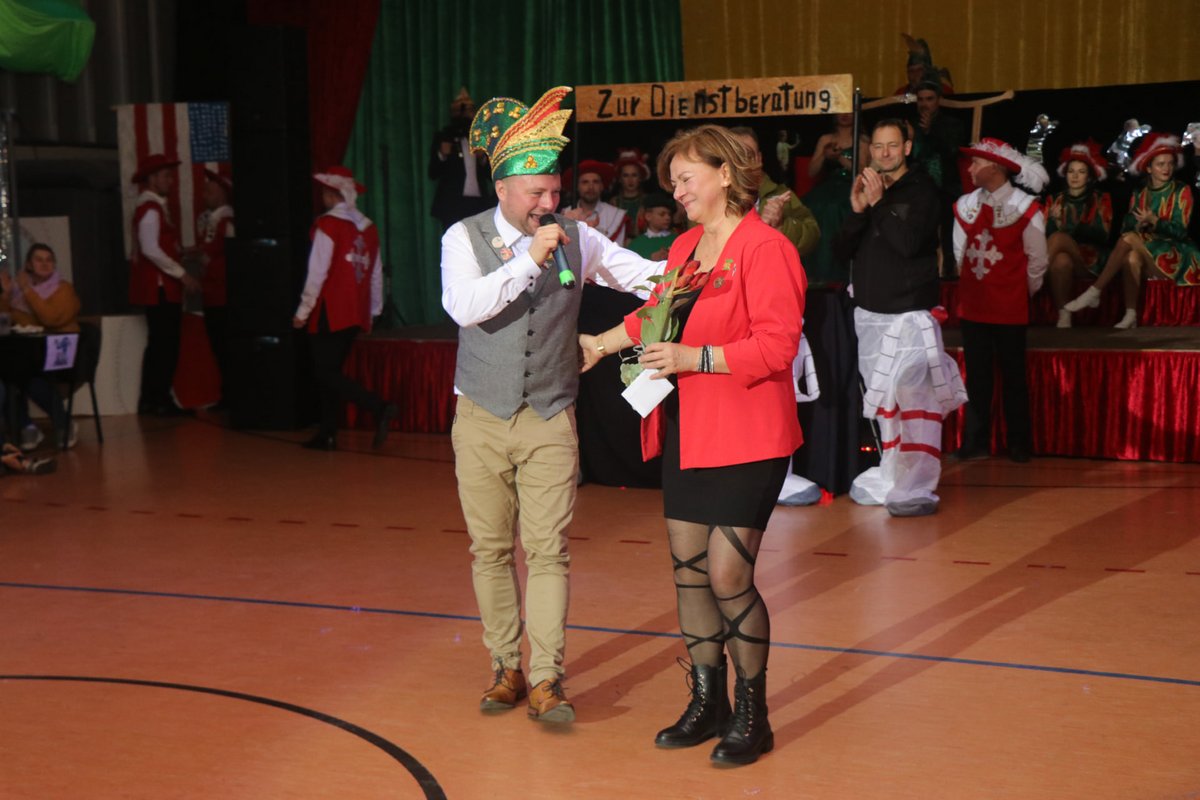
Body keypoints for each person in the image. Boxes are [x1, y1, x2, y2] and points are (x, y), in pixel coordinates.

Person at [581, 124, 806, 765]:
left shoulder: (766, 248)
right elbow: (654, 315)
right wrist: (599, 344)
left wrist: (693, 357)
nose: (676, 191)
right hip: (691, 428)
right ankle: (709, 703)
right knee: (689, 573)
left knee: (729, 573)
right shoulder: (684, 247)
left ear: (725, 174)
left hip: (750, 432)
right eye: (673, 182)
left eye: (685, 178)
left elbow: (777, 346)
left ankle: (753, 712)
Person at [443, 86, 664, 724]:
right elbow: (463, 306)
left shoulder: (577, 237)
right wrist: (526, 261)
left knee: (548, 550)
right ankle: (504, 667)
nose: (549, 204)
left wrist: (699, 268)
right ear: (503, 189)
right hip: (481, 415)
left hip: (549, 414)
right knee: (490, 550)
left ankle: (546, 678)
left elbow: (639, 274)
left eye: (554, 192)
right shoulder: (463, 238)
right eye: (536, 193)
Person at [832, 119, 966, 516]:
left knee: (915, 402)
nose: (884, 153)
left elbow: (907, 244)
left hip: (909, 318)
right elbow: (841, 252)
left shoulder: (923, 190)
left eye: (892, 145)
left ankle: (917, 487)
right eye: (878, 146)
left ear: (907, 148)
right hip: (870, 319)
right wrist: (859, 212)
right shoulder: (872, 191)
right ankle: (892, 475)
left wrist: (879, 205)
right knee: (884, 406)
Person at [952, 138, 1049, 463]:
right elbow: (960, 256)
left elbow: (1037, 261)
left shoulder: (1025, 207)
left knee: (1013, 378)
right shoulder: (965, 206)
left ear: (994, 167)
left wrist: (1017, 293)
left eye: (976, 163)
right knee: (977, 377)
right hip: (974, 306)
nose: (970, 169)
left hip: (1010, 308)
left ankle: (1019, 443)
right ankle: (975, 441)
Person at [292, 166, 397, 451]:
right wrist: (373, 310)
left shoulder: (328, 224)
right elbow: (375, 273)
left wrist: (303, 310)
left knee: (325, 373)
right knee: (330, 371)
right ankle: (327, 433)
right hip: (355, 311)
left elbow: (317, 272)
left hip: (331, 309)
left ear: (330, 194)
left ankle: (378, 406)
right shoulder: (369, 228)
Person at [1064, 133, 1200, 328]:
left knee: (1129, 239)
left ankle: (1095, 290)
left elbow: (1181, 232)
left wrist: (1155, 221)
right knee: (1131, 257)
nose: (1166, 168)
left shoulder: (1182, 190)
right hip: (1146, 248)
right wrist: (1138, 224)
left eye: (1170, 164)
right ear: (1149, 168)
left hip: (1176, 253)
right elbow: (1126, 227)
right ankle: (1131, 314)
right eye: (1161, 164)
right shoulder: (1140, 192)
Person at [128, 153, 202, 416]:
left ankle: (153, 398)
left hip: (160, 287)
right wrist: (183, 274)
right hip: (159, 287)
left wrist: (184, 251)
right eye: (166, 176)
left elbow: (160, 245)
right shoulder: (151, 208)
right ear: (152, 179)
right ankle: (158, 399)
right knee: (165, 344)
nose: (171, 181)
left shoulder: (153, 207)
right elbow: (151, 249)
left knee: (160, 343)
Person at [0, 243, 82, 449]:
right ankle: (26, 426)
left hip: (60, 353)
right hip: (28, 354)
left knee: (26, 376)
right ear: (29, 265)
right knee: (8, 372)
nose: (45, 264)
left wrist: (28, 290)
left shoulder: (63, 289)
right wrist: (6, 296)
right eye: (39, 260)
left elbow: (51, 318)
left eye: (49, 260)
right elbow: (5, 322)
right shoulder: (19, 293)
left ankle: (63, 423)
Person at [1044, 141, 1113, 328]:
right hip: (1061, 255)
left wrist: (1065, 227)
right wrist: (1053, 222)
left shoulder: (1101, 199)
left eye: (1081, 172)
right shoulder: (1054, 199)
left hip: (1090, 259)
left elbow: (1102, 235)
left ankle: (1034, 279)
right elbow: (1045, 236)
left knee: (1059, 238)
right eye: (1071, 171)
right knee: (1061, 261)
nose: (1075, 176)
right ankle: (1064, 312)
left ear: (1089, 177)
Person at [729, 126, 820, 260]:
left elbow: (813, 236)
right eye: (736, 156)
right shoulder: (711, 197)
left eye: (748, 156)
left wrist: (781, 225)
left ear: (759, 159)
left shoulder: (781, 194)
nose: (743, 163)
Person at [802, 113, 862, 285]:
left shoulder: (862, 140)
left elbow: (862, 172)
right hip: (827, 186)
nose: (844, 115)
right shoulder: (825, 139)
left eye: (849, 111)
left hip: (850, 187)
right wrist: (824, 155)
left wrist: (840, 158)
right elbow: (811, 172)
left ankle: (835, 273)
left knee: (834, 209)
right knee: (810, 206)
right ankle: (812, 273)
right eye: (841, 110)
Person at [195, 170, 235, 401]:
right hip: (212, 293)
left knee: (225, 347)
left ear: (221, 194)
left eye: (209, 191)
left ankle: (232, 395)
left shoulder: (227, 222)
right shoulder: (212, 221)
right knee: (219, 348)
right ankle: (227, 394)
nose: (204, 196)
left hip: (223, 294)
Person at [429, 87, 493, 231]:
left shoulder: (480, 139)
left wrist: (483, 158)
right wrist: (442, 154)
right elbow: (433, 172)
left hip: (478, 203)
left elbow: (492, 176)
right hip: (453, 203)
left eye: (472, 111)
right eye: (466, 111)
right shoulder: (444, 136)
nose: (469, 115)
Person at [562, 159, 628, 241]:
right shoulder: (565, 213)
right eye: (585, 182)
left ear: (602, 186)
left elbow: (619, 247)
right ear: (577, 187)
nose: (591, 187)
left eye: (595, 182)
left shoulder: (616, 215)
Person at [612, 148, 651, 243]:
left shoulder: (648, 201)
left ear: (640, 178)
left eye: (634, 175)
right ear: (620, 179)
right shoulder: (614, 202)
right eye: (626, 175)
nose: (630, 180)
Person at [625, 193, 678, 260]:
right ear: (648, 216)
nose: (667, 217)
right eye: (662, 214)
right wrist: (651, 258)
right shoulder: (636, 244)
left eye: (669, 214)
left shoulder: (677, 240)